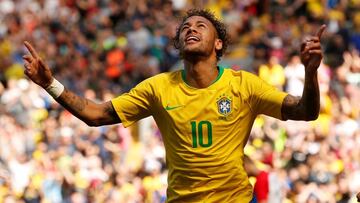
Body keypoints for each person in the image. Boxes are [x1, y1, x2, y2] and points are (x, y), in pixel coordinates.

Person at [22, 9, 325, 203]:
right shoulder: (158, 88)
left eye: (201, 26)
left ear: (219, 43)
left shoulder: (244, 85)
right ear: (179, 44)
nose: (191, 29)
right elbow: (96, 114)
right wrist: (51, 84)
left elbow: (306, 112)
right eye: (185, 28)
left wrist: (310, 74)